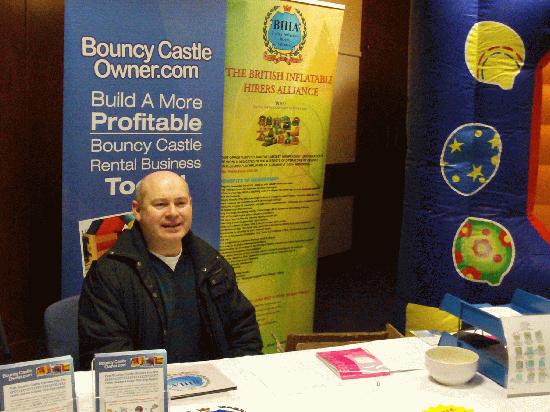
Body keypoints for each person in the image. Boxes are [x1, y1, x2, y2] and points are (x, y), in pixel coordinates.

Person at [78, 171, 262, 368]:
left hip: (213, 388)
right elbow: (110, 355)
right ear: (137, 210)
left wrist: (238, 378)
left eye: (181, 203)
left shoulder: (212, 265)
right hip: (147, 392)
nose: (173, 213)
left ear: (190, 205)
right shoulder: (109, 275)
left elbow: (245, 334)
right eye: (161, 204)